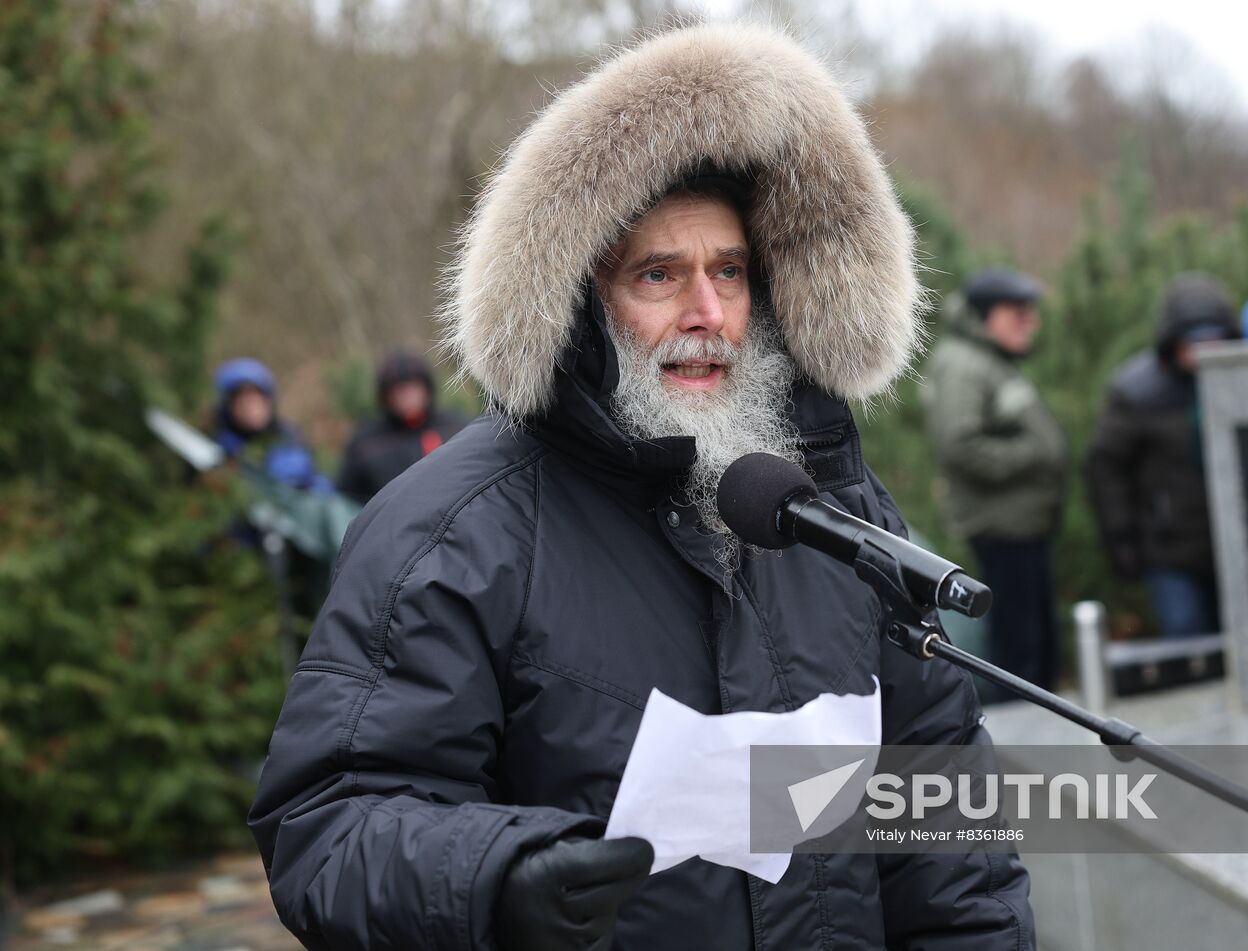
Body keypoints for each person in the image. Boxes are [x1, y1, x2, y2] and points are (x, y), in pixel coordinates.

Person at [249, 24, 1033, 951]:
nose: (706, 313)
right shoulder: (452, 531)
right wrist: (497, 876)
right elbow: (332, 820)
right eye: (658, 274)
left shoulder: (840, 515)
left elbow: (949, 840)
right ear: (582, 304)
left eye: (730, 273)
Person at [921, 268, 1067, 702]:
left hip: (1024, 526)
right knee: (1016, 656)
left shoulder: (988, 360)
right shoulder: (964, 365)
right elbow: (959, 445)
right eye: (1018, 312)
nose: (1031, 321)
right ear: (986, 316)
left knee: (1037, 650)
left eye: (1032, 311)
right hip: (1001, 529)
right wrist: (1036, 455)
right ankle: (1018, 752)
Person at [1086, 274, 1239, 639]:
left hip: (1233, 545)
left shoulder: (1239, 381)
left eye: (1213, 340)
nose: (1204, 352)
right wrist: (1120, 539)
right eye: (1194, 341)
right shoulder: (1138, 392)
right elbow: (1105, 465)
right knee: (1187, 642)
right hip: (1170, 549)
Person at [336, 350, 470, 504]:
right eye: (399, 390)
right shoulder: (365, 444)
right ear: (385, 395)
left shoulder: (456, 428)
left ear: (427, 389)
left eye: (414, 387)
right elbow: (346, 500)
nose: (408, 396)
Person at [212, 357, 331, 494]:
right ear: (229, 407)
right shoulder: (221, 447)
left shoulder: (290, 438)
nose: (251, 409)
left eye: (257, 401)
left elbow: (316, 482)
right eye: (243, 402)